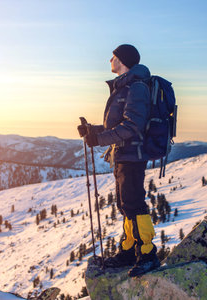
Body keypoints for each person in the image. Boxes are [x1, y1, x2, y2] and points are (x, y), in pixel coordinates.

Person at [78, 44, 160, 277]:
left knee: (134, 204)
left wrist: (99, 139)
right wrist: (91, 131)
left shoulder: (136, 87)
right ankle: (128, 250)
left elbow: (132, 126)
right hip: (124, 154)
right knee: (125, 205)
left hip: (133, 155)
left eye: (113, 57)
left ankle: (147, 253)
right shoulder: (125, 87)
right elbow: (115, 125)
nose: (109, 60)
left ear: (122, 60)